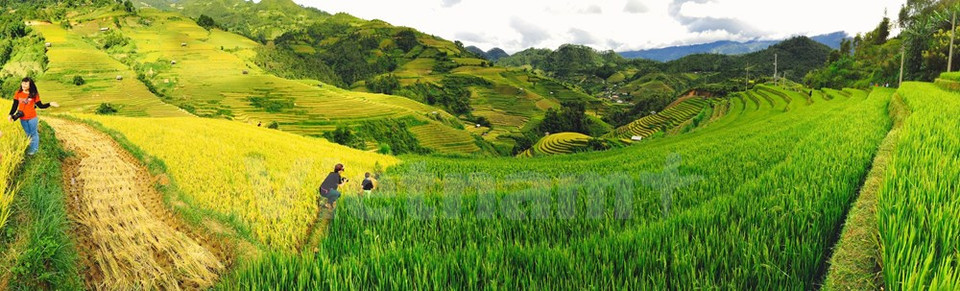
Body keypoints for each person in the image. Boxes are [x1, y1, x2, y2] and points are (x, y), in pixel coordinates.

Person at [9, 77, 58, 156]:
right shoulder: (18, 93)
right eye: (23, 83)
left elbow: (40, 106)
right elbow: (15, 105)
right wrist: (10, 114)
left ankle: (34, 151)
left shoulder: (34, 94)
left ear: (30, 85)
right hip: (22, 118)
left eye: (26, 83)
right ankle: (30, 148)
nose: (23, 85)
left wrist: (50, 104)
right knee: (28, 133)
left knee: (33, 133)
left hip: (32, 118)